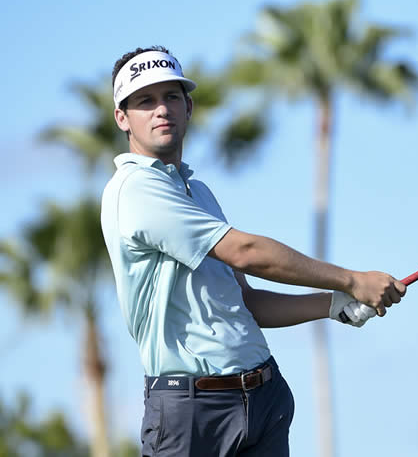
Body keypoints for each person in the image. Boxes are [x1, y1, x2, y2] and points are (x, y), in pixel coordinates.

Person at [100, 46, 397, 456]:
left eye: (171, 97)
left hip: (262, 397)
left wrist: (333, 303)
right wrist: (352, 280)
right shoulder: (135, 190)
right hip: (191, 414)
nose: (161, 110)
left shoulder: (196, 191)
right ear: (122, 118)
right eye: (144, 101)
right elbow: (245, 251)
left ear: (188, 107)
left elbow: (248, 303)